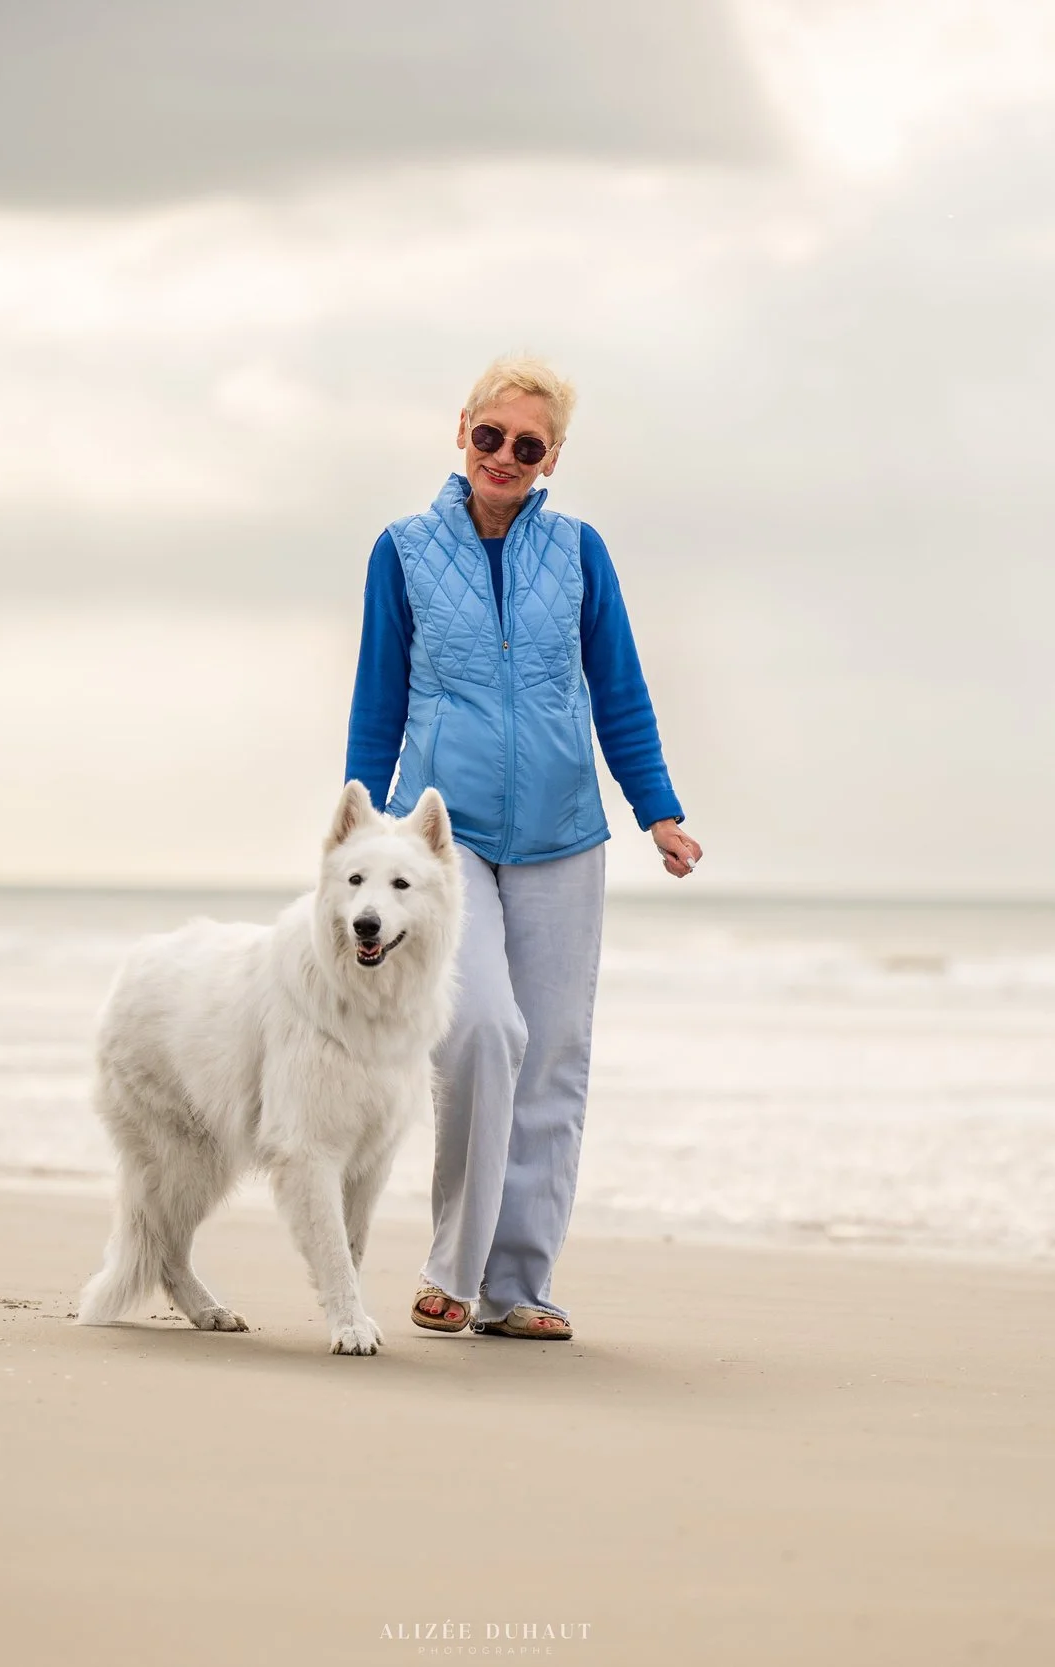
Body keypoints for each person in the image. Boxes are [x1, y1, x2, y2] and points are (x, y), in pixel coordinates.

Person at [343, 353, 701, 1342]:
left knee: (552, 1057)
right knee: (477, 1032)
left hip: (562, 836)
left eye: (527, 446)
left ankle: (517, 1286)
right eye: (490, 436)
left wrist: (657, 809)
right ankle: (450, 1272)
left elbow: (618, 690)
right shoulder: (404, 550)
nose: (504, 456)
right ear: (461, 431)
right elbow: (378, 697)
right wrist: (364, 830)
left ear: (552, 458)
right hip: (440, 844)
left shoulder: (580, 553)